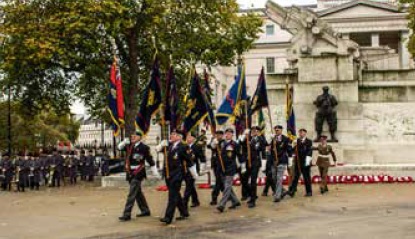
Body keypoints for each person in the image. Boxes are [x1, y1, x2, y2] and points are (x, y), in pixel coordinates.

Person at [118, 131, 160, 222]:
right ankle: (145, 210)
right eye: (132, 136)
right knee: (138, 193)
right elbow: (119, 148)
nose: (133, 137)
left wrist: (155, 172)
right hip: (130, 172)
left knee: (132, 193)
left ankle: (127, 214)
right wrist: (123, 142)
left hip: (138, 172)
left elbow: (150, 160)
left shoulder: (144, 147)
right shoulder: (129, 146)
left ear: (140, 137)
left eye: (135, 136)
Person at [160, 129, 196, 225]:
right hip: (168, 174)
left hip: (177, 174)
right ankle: (184, 212)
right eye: (171, 133)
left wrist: (194, 173)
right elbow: (161, 153)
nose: (171, 135)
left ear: (179, 137)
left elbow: (189, 160)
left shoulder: (183, 146)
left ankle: (168, 217)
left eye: (174, 134)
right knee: (176, 195)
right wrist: (160, 145)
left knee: (172, 195)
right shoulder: (169, 146)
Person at [239, 126, 266, 208]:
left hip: (255, 162)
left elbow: (263, 152)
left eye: (256, 130)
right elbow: (239, 143)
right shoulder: (247, 138)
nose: (254, 132)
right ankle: (251, 194)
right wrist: (244, 134)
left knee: (253, 181)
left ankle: (253, 200)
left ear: (258, 132)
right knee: (244, 180)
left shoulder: (261, 140)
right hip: (246, 162)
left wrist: (263, 164)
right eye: (253, 130)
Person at [216, 128, 242, 213]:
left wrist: (242, 166)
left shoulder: (235, 144)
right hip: (221, 168)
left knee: (227, 187)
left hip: (230, 168)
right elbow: (212, 147)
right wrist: (213, 143)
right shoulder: (221, 143)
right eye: (226, 133)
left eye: (229, 133)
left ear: (232, 135)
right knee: (228, 187)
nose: (227, 135)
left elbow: (240, 155)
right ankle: (235, 201)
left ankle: (222, 204)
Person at [284, 129, 313, 197]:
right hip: (298, 162)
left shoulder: (309, 141)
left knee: (306, 178)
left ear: (305, 133)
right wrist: (292, 145)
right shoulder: (296, 141)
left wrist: (307, 162)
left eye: (302, 132)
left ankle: (309, 192)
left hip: (306, 162)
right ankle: (292, 191)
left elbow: (310, 151)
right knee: (295, 177)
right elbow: (291, 150)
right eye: (300, 132)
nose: (301, 134)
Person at [267, 125, 292, 202]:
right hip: (273, 161)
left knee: (279, 179)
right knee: (274, 178)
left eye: (278, 130)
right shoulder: (273, 139)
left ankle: (277, 196)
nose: (277, 131)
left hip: (281, 161)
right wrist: (270, 140)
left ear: (281, 130)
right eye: (276, 130)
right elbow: (268, 148)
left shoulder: (286, 139)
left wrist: (290, 161)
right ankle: (283, 191)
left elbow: (289, 150)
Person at [183, 132, 205, 208]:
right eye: (187, 136)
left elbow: (202, 158)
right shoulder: (184, 146)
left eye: (190, 136)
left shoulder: (197, 147)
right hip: (186, 169)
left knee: (189, 185)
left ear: (193, 138)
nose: (187, 138)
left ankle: (184, 202)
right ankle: (195, 201)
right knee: (190, 185)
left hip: (194, 169)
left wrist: (201, 169)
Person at [207, 130, 225, 206]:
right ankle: (228, 195)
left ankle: (214, 198)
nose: (218, 136)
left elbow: (223, 151)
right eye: (217, 135)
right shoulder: (214, 140)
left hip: (221, 164)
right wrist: (212, 142)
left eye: (219, 135)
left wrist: (219, 144)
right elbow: (208, 146)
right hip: (214, 164)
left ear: (222, 135)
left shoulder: (223, 142)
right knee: (220, 182)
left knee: (218, 181)